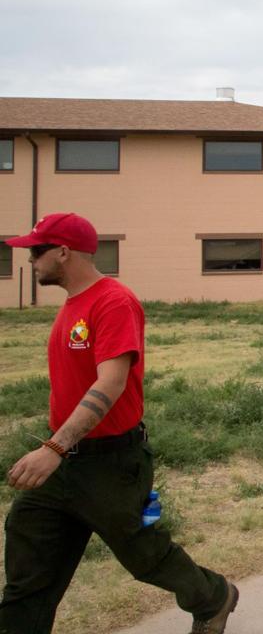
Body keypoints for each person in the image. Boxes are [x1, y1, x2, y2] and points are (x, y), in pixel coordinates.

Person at [1, 213, 238, 634]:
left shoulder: (112, 302)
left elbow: (110, 383)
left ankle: (213, 596)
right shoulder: (73, 305)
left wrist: (53, 448)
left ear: (63, 251)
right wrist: (57, 448)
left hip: (110, 462)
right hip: (63, 461)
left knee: (143, 554)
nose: (29, 259)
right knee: (29, 551)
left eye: (36, 251)